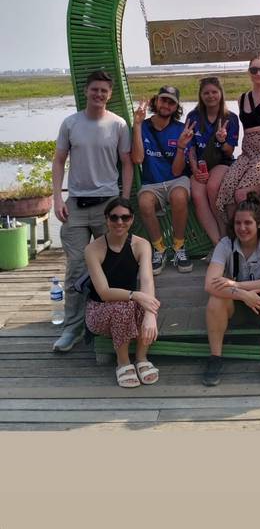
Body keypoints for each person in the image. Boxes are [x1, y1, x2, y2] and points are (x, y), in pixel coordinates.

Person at [52, 69, 133, 353]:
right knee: (76, 267)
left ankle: (106, 321)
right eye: (94, 89)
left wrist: (123, 200)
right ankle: (72, 329)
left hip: (107, 205)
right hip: (75, 205)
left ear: (110, 95)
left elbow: (126, 163)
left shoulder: (118, 125)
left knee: (111, 264)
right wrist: (56, 198)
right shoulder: (71, 123)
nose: (99, 94)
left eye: (104, 91)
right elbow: (59, 160)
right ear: (86, 91)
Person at [203, 193, 260, 387]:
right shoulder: (225, 245)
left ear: (259, 224)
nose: (242, 228)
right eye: (237, 223)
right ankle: (215, 358)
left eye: (248, 223)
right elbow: (210, 283)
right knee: (215, 299)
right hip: (235, 304)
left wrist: (237, 285)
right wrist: (242, 294)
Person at [84, 198, 161, 387]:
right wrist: (135, 295)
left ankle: (141, 358)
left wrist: (150, 313)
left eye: (125, 217)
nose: (120, 222)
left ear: (132, 219)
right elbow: (103, 292)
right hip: (99, 310)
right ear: (106, 219)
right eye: (114, 217)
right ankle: (123, 362)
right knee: (124, 306)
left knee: (147, 302)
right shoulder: (93, 249)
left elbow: (146, 280)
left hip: (130, 303)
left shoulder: (141, 244)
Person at [215, 53, 260, 225]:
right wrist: (222, 138)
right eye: (254, 70)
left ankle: (258, 235)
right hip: (248, 153)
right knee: (226, 191)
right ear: (249, 72)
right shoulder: (242, 98)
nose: (258, 74)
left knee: (242, 194)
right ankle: (236, 238)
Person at [131, 84, 193, 275]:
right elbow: (138, 159)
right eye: (163, 100)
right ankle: (159, 249)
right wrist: (137, 125)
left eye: (171, 102)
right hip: (152, 184)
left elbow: (176, 170)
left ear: (176, 107)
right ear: (155, 101)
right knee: (144, 202)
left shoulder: (181, 129)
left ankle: (178, 246)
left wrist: (182, 147)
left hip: (176, 180)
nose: (166, 105)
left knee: (179, 197)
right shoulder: (144, 126)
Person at [185, 76, 239, 246]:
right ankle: (217, 243)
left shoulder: (231, 118)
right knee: (197, 194)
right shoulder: (193, 116)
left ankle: (225, 236)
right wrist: (194, 169)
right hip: (199, 165)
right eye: (206, 93)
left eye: (214, 92)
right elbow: (190, 146)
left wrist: (222, 140)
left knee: (213, 186)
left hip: (222, 163)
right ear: (200, 95)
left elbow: (229, 151)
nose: (210, 96)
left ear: (221, 94)